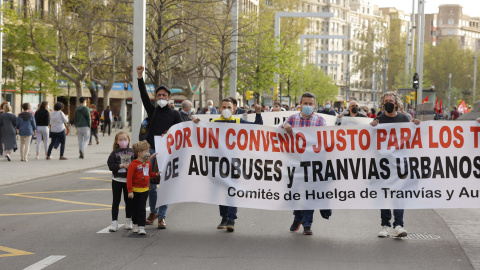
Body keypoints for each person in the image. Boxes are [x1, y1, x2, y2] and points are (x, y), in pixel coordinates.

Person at [137, 65, 183, 229]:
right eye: (159, 95)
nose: (161, 97)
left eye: (164, 95)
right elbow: (143, 95)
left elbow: (181, 134)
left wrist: (169, 133)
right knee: (151, 184)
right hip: (151, 152)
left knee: (165, 185)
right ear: (156, 97)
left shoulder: (176, 114)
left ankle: (161, 217)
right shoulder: (152, 111)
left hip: (167, 152)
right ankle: (153, 211)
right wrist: (140, 77)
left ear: (169, 97)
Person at [370, 92, 421, 238]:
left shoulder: (404, 118)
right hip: (384, 164)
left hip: (400, 164)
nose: (388, 103)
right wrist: (371, 127)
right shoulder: (378, 120)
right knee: (385, 193)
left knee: (399, 194)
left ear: (396, 103)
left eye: (391, 101)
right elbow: (371, 141)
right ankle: (385, 225)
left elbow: (412, 135)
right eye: (386, 101)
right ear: (382, 103)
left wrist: (416, 125)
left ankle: (398, 225)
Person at [208, 98, 263, 232]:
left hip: (234, 162)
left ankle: (231, 219)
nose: (226, 109)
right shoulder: (213, 122)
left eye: (229, 107)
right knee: (222, 191)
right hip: (219, 162)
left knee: (232, 191)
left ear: (233, 109)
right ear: (220, 108)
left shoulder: (239, 121)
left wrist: (258, 113)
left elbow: (257, 126)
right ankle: (224, 217)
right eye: (224, 107)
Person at [281, 92, 330, 235]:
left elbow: (326, 139)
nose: (307, 106)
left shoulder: (320, 121)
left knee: (309, 193)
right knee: (296, 192)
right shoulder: (292, 119)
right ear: (300, 104)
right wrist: (285, 125)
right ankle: (298, 217)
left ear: (314, 105)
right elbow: (278, 131)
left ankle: (307, 223)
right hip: (295, 163)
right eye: (305, 103)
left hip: (313, 164)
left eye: (310, 104)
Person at [127, 140, 160, 236]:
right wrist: (130, 191)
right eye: (146, 151)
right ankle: (135, 223)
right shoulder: (133, 164)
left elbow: (149, 173)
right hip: (134, 191)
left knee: (142, 208)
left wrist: (156, 174)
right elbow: (129, 179)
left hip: (144, 190)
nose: (148, 153)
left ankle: (141, 226)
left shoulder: (148, 163)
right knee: (134, 209)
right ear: (140, 153)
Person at [107, 131, 135, 232]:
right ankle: (114, 222)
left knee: (129, 202)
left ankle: (128, 221)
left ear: (128, 141)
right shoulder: (114, 153)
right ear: (117, 141)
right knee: (116, 201)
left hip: (128, 181)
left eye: (125, 139)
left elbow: (137, 163)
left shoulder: (132, 152)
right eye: (121, 139)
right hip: (117, 180)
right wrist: (121, 166)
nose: (123, 141)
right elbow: (110, 165)